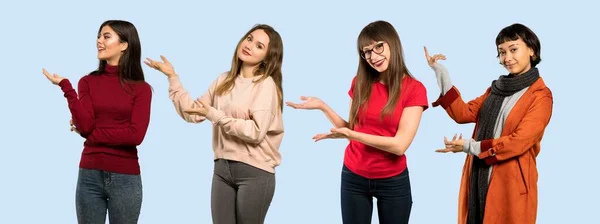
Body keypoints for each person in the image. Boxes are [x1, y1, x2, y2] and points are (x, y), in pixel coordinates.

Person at [286, 20, 428, 224]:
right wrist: (323, 106)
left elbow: (399, 145)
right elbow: (352, 128)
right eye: (366, 51)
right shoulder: (359, 82)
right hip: (353, 176)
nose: (373, 56)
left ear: (392, 43)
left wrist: (352, 135)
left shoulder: (414, 89)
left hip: (392, 180)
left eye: (379, 46)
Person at [144, 24, 284, 224]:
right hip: (222, 169)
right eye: (250, 38)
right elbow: (193, 112)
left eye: (259, 46)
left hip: (255, 172)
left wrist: (214, 114)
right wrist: (172, 77)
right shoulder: (223, 80)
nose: (250, 45)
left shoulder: (265, 85)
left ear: (268, 57)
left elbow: (256, 132)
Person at [426, 23, 553, 224]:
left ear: (532, 50)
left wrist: (470, 146)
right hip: (478, 173)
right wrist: (439, 71)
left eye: (513, 49)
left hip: (511, 181)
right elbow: (463, 113)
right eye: (502, 52)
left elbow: (519, 141)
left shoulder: (540, 96)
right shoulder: (495, 90)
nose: (507, 58)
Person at [42, 20, 152, 224]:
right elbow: (84, 126)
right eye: (99, 36)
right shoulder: (87, 82)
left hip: (125, 177)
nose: (99, 41)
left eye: (106, 36)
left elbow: (135, 135)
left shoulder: (141, 88)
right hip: (89, 175)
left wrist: (92, 135)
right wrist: (66, 87)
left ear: (124, 45)